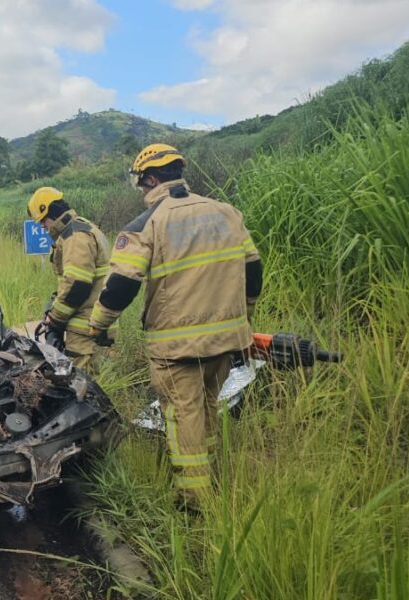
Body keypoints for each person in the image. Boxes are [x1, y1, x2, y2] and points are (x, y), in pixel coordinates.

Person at [88, 144, 263, 508]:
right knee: (207, 406)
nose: (142, 194)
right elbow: (253, 269)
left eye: (141, 186)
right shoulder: (227, 212)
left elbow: (121, 285)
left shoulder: (146, 224)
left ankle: (194, 500)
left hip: (177, 346)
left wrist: (98, 325)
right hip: (228, 337)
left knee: (182, 414)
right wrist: (244, 314)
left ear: (151, 179)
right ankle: (211, 477)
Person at [27, 187, 110, 372]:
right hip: (91, 325)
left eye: (42, 221)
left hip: (86, 328)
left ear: (50, 213)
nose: (42, 226)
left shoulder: (75, 237)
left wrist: (55, 319)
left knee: (84, 388)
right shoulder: (78, 230)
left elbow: (77, 285)